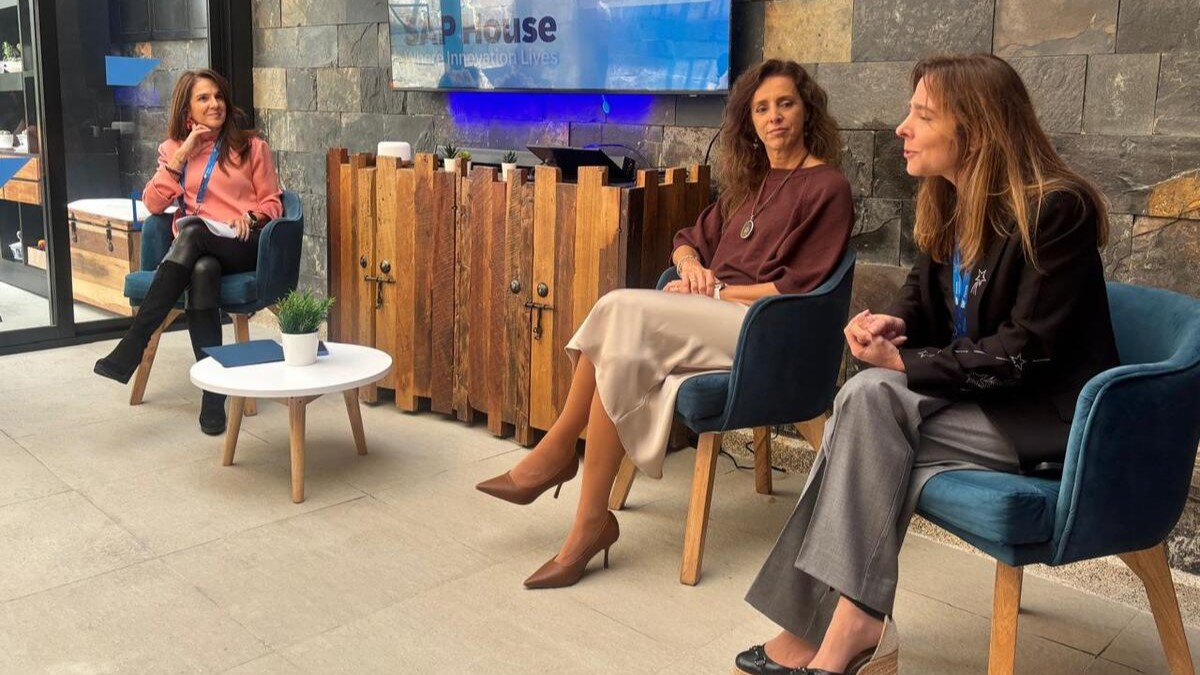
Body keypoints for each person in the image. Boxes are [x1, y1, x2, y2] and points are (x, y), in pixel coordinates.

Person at [734, 53, 1119, 675]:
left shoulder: (1056, 211)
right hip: (976, 401)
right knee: (864, 415)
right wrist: (891, 324)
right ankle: (843, 627)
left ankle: (845, 626)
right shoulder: (953, 201)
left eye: (922, 114)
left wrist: (904, 364)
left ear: (976, 128)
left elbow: (1026, 351)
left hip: (1038, 417)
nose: (902, 128)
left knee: (866, 405)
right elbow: (921, 298)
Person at [475, 59, 854, 588]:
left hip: (763, 328)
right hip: (712, 315)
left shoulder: (827, 186)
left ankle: (559, 452)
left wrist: (716, 290)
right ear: (749, 121)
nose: (774, 117)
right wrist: (692, 266)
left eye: (785, 104)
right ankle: (588, 522)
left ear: (807, 109)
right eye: (762, 108)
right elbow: (686, 240)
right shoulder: (751, 184)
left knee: (618, 310)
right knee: (619, 345)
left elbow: (798, 286)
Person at [94, 69, 283, 435]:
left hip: (240, 243)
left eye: (219, 96)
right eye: (203, 98)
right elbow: (153, 204)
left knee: (192, 230)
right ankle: (213, 397)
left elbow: (273, 203)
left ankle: (135, 341)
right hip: (199, 252)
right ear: (187, 112)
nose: (215, 104)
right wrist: (183, 153)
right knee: (202, 271)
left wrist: (250, 216)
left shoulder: (251, 146)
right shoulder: (173, 150)